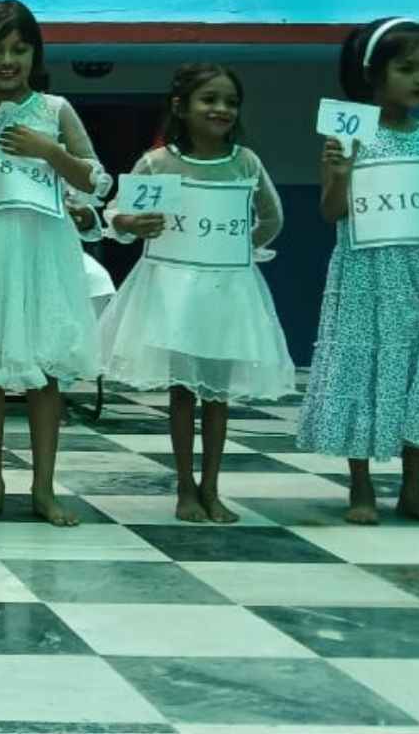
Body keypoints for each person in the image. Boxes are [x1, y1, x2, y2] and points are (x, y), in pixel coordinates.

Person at [102, 64, 296, 523]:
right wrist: (132, 223)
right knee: (183, 391)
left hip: (227, 290)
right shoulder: (159, 163)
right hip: (174, 293)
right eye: (209, 99)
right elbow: (117, 214)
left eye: (231, 102)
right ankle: (185, 488)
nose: (221, 109)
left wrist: (240, 248)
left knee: (217, 394)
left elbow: (272, 217)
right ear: (181, 106)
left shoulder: (245, 162)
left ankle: (212, 487)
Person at [0, 0, 106, 528]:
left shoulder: (56, 111)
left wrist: (49, 151)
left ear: (35, 53)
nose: (7, 60)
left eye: (18, 49)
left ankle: (44, 489)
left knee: (44, 372)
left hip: (43, 252)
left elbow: (95, 180)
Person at [298, 18, 419, 524]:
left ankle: (413, 490)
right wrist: (340, 174)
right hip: (364, 280)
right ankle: (361, 487)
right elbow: (331, 211)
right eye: (407, 68)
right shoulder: (349, 133)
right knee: (362, 371)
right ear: (373, 72)